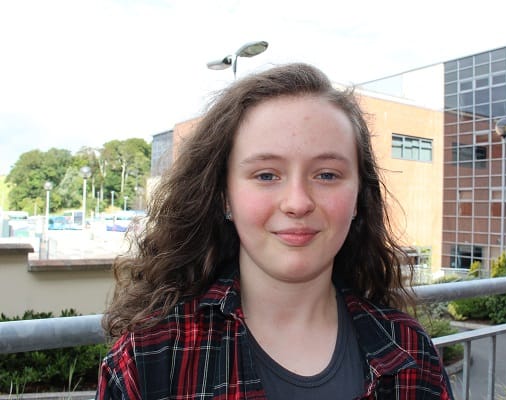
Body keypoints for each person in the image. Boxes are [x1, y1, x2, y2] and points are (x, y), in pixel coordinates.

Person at [96, 62, 454, 399]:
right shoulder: (150, 360)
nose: (297, 202)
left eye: (327, 175)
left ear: (360, 195)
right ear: (224, 197)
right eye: (266, 175)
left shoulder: (411, 355)